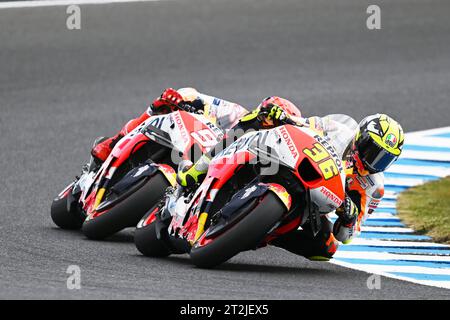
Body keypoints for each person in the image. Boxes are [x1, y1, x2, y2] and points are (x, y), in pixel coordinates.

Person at [270, 113, 404, 261]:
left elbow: (347, 237)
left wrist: (349, 219)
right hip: (294, 165)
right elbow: (299, 123)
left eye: (384, 159)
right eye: (372, 151)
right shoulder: (336, 130)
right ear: (361, 138)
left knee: (327, 246)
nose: (373, 163)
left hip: (315, 202)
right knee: (273, 110)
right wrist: (282, 115)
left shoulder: (374, 188)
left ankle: (270, 236)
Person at [91, 87, 248, 162]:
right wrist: (176, 101)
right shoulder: (237, 114)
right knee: (173, 100)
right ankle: (114, 143)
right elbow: (193, 96)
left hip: (201, 160)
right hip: (184, 132)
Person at [176, 96, 302, 187]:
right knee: (247, 125)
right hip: (223, 150)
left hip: (261, 170)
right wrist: (184, 100)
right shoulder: (237, 112)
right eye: (272, 120)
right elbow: (199, 98)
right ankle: (195, 171)